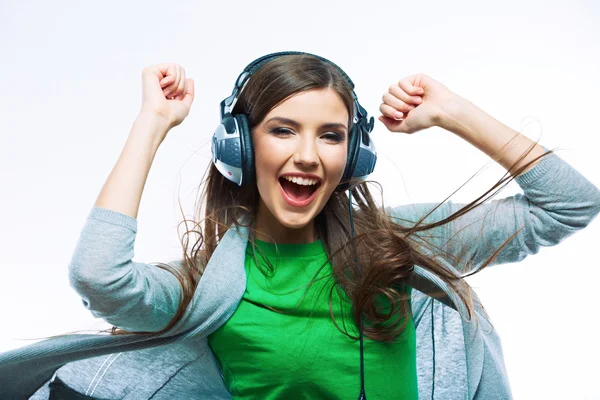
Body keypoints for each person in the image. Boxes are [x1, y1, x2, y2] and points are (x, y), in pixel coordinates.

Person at [1, 51, 599, 400]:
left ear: (353, 156)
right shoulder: (207, 287)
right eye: (283, 130)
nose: (309, 155)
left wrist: (452, 112)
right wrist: (153, 123)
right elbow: (98, 276)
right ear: (240, 145)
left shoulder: (398, 247)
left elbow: (570, 205)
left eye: (331, 135)